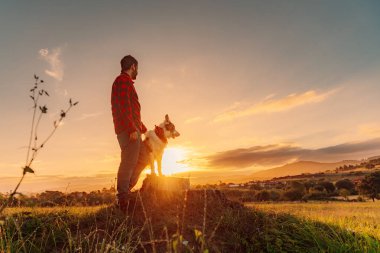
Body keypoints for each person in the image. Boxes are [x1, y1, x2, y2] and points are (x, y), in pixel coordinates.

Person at [111, 55, 147, 211]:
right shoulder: (123, 81)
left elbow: (130, 108)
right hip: (128, 130)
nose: (137, 71)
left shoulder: (125, 82)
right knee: (128, 162)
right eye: (137, 68)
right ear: (133, 66)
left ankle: (125, 191)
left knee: (144, 157)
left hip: (133, 128)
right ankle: (122, 200)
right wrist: (132, 128)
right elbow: (123, 105)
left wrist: (142, 127)